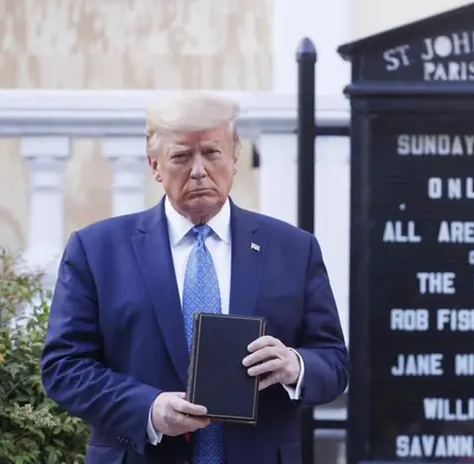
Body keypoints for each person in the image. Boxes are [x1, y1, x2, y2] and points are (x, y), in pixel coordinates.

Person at [40, 92, 349, 464]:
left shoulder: (293, 250)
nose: (199, 170)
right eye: (181, 156)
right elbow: (63, 367)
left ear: (235, 157)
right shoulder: (97, 250)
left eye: (212, 152)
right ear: (154, 165)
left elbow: (333, 363)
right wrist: (147, 408)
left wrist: (294, 365)